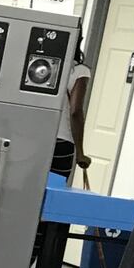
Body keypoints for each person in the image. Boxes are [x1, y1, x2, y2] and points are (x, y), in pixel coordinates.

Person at [51, 47, 93, 180]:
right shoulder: (79, 71)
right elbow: (75, 111)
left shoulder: (40, 64)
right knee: (54, 190)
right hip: (61, 143)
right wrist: (80, 153)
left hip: (34, 138)